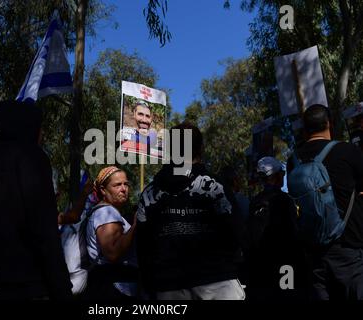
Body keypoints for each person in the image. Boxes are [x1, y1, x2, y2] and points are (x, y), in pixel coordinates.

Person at [0, 100, 72, 300]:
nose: (43, 135)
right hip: (29, 286)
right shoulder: (31, 158)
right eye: (41, 129)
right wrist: (62, 288)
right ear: (31, 128)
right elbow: (44, 233)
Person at [136, 122, 245, 300]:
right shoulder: (215, 186)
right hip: (217, 281)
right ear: (200, 149)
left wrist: (152, 283)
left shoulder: (149, 193)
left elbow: (143, 245)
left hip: (168, 286)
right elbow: (236, 231)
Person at [287, 104, 363, 300]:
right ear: (329, 124)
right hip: (348, 246)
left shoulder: (293, 161)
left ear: (305, 130)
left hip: (313, 253)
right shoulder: (347, 151)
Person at [244, 157, 308, 301]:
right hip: (285, 266)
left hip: (260, 268)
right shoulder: (285, 200)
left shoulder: (254, 202)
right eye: (283, 173)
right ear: (278, 176)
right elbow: (294, 235)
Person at [84, 166, 139, 300]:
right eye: (117, 185)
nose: (123, 189)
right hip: (113, 288)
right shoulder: (106, 213)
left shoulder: (108, 212)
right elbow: (112, 253)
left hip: (112, 285)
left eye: (126, 184)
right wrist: (136, 225)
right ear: (103, 190)